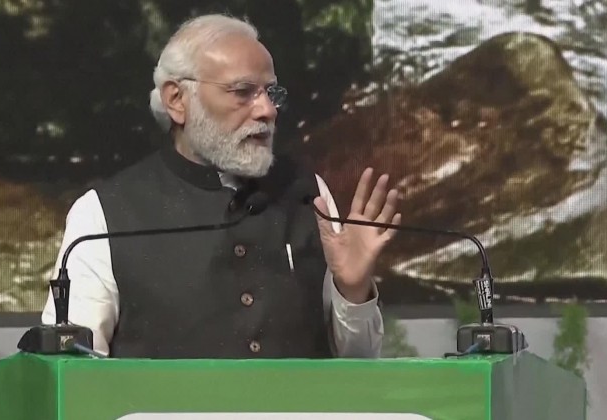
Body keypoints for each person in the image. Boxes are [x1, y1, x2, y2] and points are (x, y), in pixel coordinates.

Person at [41, 13, 401, 359]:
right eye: (243, 91)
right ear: (177, 100)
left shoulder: (309, 194)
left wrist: (353, 290)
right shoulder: (103, 214)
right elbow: (73, 368)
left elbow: (357, 362)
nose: (267, 111)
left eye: (271, 93)